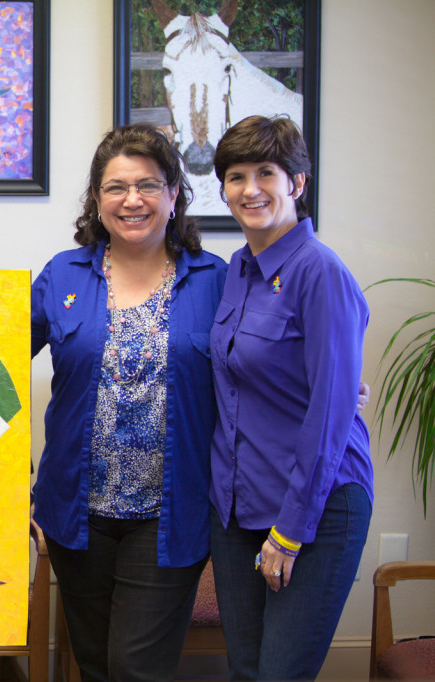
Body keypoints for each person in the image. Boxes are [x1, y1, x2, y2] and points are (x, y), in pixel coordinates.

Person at [31, 124, 227, 681]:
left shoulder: (216, 280)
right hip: (77, 512)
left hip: (169, 515)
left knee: (135, 668)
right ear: (97, 198)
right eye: (116, 187)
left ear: (173, 195)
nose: (132, 200)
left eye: (148, 185)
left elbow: (255, 365)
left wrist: (320, 386)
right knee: (93, 664)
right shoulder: (63, 274)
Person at [207, 114, 373, 680]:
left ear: (296, 183)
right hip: (237, 505)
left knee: (279, 675)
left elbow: (330, 413)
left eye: (265, 173)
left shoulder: (320, 272)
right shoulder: (238, 271)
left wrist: (291, 529)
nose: (249, 189)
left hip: (315, 508)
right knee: (246, 671)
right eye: (235, 176)